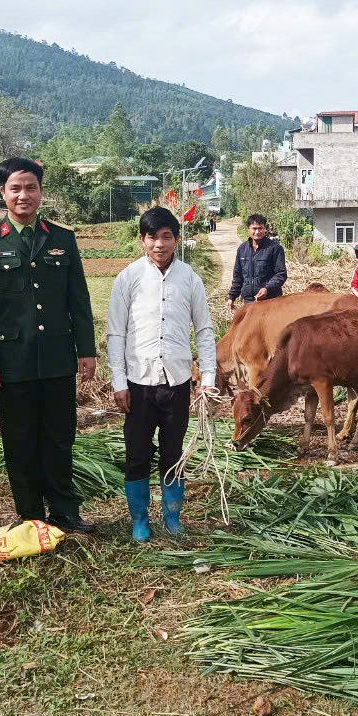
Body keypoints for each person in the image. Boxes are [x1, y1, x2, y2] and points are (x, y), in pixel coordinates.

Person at [0, 157, 98, 532]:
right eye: (16, 188)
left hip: (58, 356)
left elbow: (79, 299)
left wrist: (86, 351)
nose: (24, 195)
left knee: (60, 438)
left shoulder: (62, 237)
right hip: (11, 361)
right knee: (20, 442)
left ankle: (64, 511)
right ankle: (30, 515)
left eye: (31, 187)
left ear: (41, 191)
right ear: (2, 193)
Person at [107, 207, 217, 541]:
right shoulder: (128, 278)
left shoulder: (190, 278)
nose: (159, 244)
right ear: (142, 240)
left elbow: (205, 331)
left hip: (177, 384)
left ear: (176, 240)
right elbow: (116, 334)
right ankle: (139, 520)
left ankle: (172, 517)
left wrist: (207, 378)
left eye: (166, 236)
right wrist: (118, 382)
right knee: (137, 454)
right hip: (138, 386)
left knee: (173, 453)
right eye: (152, 237)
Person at [226, 213, 286, 314]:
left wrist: (267, 289)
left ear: (265, 229)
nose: (257, 232)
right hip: (249, 301)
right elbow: (238, 276)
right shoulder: (242, 249)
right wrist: (232, 297)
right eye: (254, 228)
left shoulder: (275, 249)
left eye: (260, 228)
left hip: (270, 300)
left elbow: (281, 274)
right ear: (248, 229)